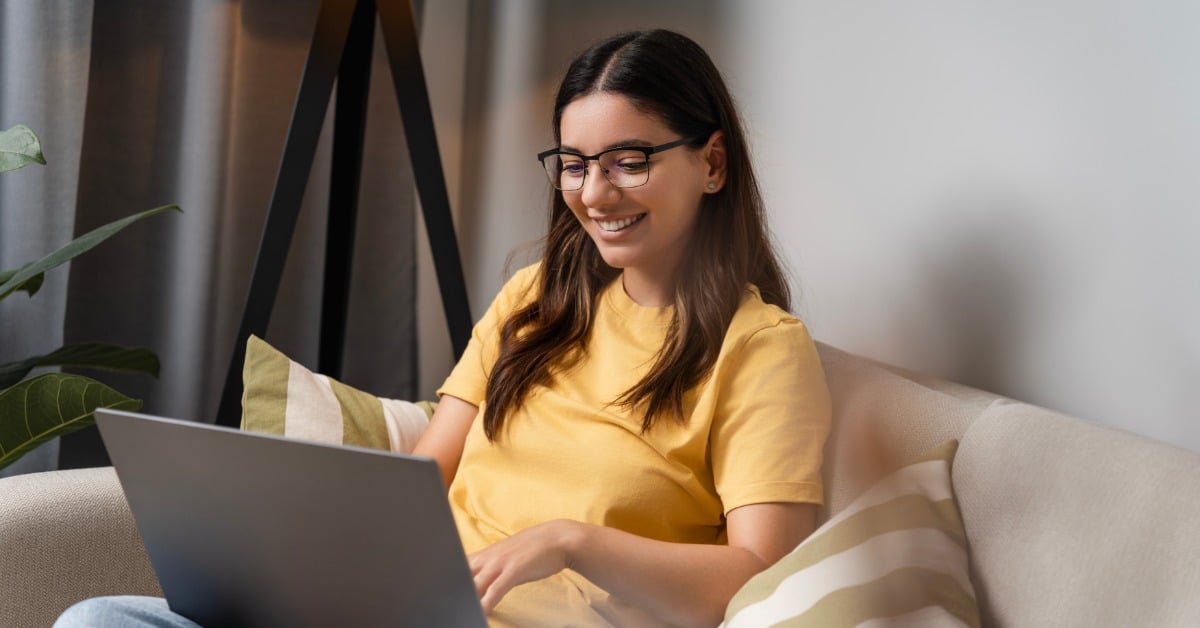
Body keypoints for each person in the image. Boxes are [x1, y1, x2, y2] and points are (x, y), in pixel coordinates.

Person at [56, 28, 830, 627]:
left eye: (630, 160)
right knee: (95, 618)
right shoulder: (535, 299)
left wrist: (573, 540)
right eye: (573, 162)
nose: (594, 193)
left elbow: (761, 572)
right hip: (399, 608)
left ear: (714, 164)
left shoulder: (760, 350)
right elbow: (426, 473)